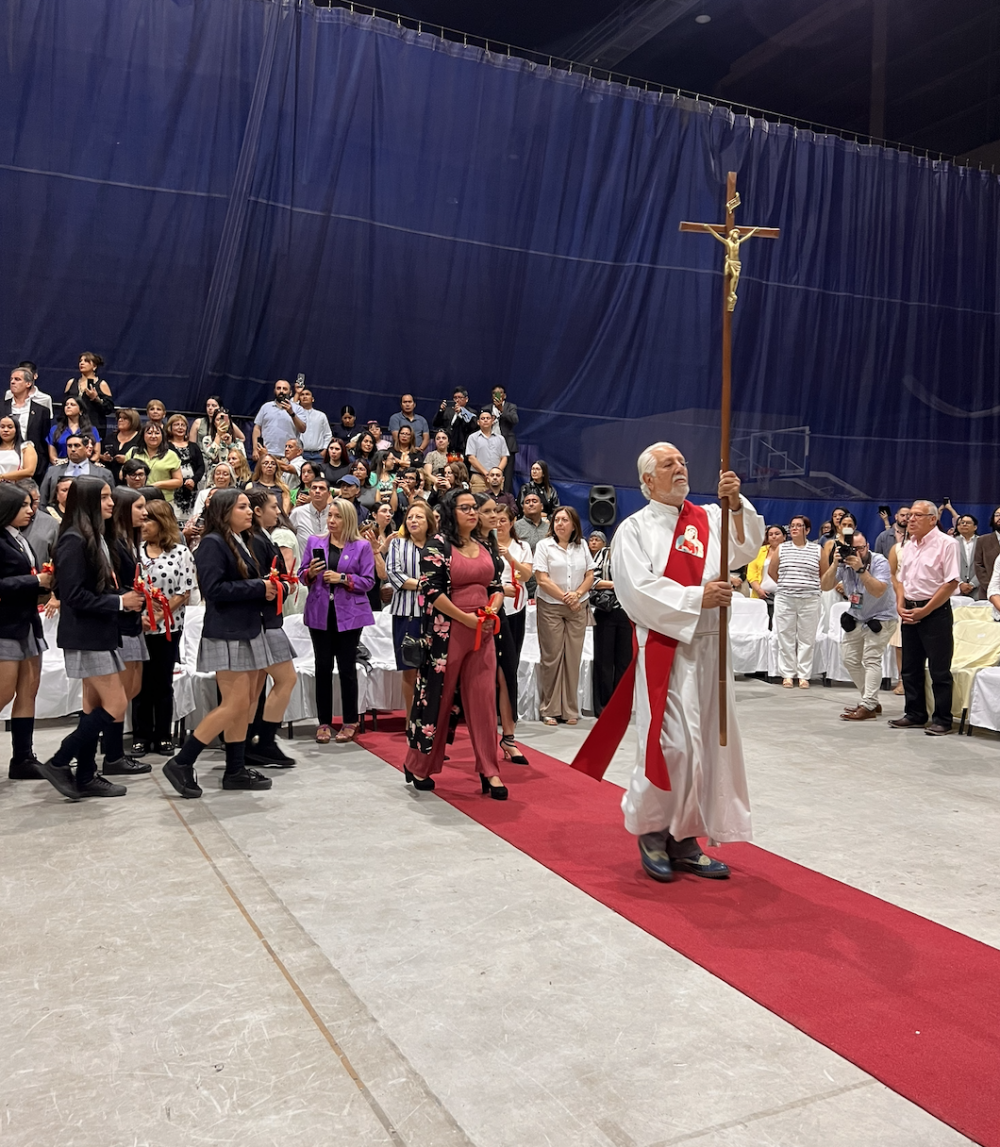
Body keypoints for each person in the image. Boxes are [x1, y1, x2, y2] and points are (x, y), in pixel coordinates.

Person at [574, 442, 764, 882]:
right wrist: (698, 598)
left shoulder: (710, 516)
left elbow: (744, 548)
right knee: (672, 746)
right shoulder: (634, 530)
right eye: (668, 464)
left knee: (707, 748)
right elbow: (636, 591)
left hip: (710, 648)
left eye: (682, 461)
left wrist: (736, 505)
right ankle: (653, 831)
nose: (680, 468)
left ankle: (686, 837)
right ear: (647, 480)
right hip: (666, 648)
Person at [161, 489, 278, 798]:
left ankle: (235, 769)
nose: (249, 511)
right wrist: (259, 587)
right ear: (224, 512)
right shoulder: (213, 543)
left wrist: (267, 588)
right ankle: (182, 761)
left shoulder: (239, 540)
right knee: (235, 704)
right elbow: (214, 590)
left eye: (249, 506)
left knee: (245, 703)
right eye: (242, 507)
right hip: (227, 632)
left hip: (245, 629)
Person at [38, 478, 145, 801]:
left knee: (94, 707)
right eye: (104, 498)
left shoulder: (95, 536)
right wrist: (119, 602)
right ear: (86, 502)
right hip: (85, 635)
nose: (111, 503)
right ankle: (59, 761)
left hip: (99, 632)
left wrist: (125, 597)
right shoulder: (74, 539)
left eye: (110, 496)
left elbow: (98, 586)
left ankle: (86, 775)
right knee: (116, 704)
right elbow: (72, 596)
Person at [403, 489, 508, 797]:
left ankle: (490, 770)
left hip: (483, 631)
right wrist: (466, 619)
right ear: (451, 512)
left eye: (474, 507)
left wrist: (492, 610)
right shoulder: (437, 545)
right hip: (446, 632)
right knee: (438, 699)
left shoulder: (485, 543)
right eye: (465, 508)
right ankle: (418, 764)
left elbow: (496, 585)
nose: (473, 512)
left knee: (484, 700)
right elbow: (431, 592)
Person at [298, 498, 375, 745]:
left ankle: (350, 720)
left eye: (337, 516)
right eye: (330, 515)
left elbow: (369, 581)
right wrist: (310, 573)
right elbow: (301, 575)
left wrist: (343, 578)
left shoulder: (362, 546)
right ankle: (324, 721)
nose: (331, 520)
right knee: (322, 667)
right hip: (319, 613)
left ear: (348, 519)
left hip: (350, 615)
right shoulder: (315, 541)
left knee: (347, 668)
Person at [889, 500, 959, 735]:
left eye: (917, 515)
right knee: (910, 667)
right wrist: (900, 604)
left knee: (939, 669)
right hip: (909, 610)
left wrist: (926, 610)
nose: (911, 519)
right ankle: (915, 713)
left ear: (932, 519)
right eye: (909, 515)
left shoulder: (947, 543)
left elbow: (951, 582)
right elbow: (901, 580)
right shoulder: (908, 545)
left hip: (935, 612)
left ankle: (943, 719)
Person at [133, 500, 196, 755]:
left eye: (149, 519)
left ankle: (162, 735)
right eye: (142, 518)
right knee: (140, 683)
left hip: (168, 627)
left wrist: (158, 616)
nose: (144, 524)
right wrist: (142, 618)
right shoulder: (134, 552)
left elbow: (184, 591)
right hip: (138, 627)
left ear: (162, 522)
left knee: (162, 682)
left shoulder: (181, 553)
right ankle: (140, 735)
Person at [0, 484, 54, 778]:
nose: (31, 510)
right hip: (5, 625)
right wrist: (36, 582)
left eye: (31, 504)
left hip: (29, 622)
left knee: (28, 690)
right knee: (4, 692)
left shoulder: (19, 537)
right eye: (23, 505)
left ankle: (22, 758)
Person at [243, 490, 299, 768]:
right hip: (264, 621)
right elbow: (265, 581)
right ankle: (263, 740)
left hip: (266, 620)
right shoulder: (255, 539)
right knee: (286, 679)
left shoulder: (261, 537)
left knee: (255, 688)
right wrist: (286, 586)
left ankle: (250, 742)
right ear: (258, 511)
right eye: (273, 507)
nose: (278, 511)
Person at [821, 529, 898, 719]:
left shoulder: (879, 561)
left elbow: (878, 590)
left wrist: (861, 569)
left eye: (860, 548)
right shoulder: (844, 563)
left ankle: (868, 704)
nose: (855, 553)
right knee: (849, 659)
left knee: (871, 658)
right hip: (857, 617)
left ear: (867, 546)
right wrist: (834, 564)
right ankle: (870, 701)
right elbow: (825, 586)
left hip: (881, 617)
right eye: (852, 549)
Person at [103, 487, 153, 775]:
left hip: (131, 621)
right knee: (120, 694)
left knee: (131, 689)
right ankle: (111, 755)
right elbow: (107, 586)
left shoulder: (128, 541)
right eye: (139, 507)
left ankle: (113, 753)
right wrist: (128, 600)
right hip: (118, 625)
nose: (145, 513)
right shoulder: (111, 543)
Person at [475, 495, 527, 765]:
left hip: (497, 613)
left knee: (508, 672)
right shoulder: (464, 543)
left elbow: (498, 581)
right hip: (470, 613)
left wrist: (495, 603)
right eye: (488, 511)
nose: (494, 516)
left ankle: (509, 738)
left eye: (496, 512)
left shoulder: (496, 543)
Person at [532, 506, 596, 725]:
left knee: (573, 657)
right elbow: (542, 579)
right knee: (552, 657)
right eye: (557, 520)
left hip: (578, 606)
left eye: (564, 520)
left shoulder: (582, 545)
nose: (560, 523)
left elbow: (590, 575)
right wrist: (566, 597)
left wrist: (577, 595)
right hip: (551, 605)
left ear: (574, 525)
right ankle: (549, 708)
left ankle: (570, 709)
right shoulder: (544, 545)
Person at [386, 501, 434, 718]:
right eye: (410, 517)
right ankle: (411, 719)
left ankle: (430, 719)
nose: (413, 520)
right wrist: (426, 585)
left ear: (429, 521)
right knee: (409, 668)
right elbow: (395, 575)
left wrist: (427, 586)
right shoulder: (398, 544)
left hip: (435, 615)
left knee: (433, 669)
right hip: (406, 614)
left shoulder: (438, 545)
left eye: (419, 517)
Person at [768, 515, 823, 688]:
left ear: (807, 530)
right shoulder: (782, 548)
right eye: (792, 525)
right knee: (786, 636)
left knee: (807, 638)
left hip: (810, 599)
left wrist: (808, 586)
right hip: (785, 598)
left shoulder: (817, 549)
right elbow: (772, 571)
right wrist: (787, 584)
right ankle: (787, 675)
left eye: (799, 526)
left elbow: (824, 573)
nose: (794, 528)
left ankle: (804, 675)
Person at [589, 529, 633, 717]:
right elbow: (592, 580)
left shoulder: (637, 555)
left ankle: (621, 706)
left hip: (629, 612)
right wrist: (615, 584)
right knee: (603, 661)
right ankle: (603, 707)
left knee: (624, 662)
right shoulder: (604, 553)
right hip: (606, 611)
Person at [2, 366, 51, 479]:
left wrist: (42, 466)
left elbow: (43, 440)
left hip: (33, 466)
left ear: (28, 384)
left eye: (17, 379)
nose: (12, 382)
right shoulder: (1, 407)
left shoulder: (42, 411)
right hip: (4, 462)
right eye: (11, 379)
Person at [40, 434, 113, 504]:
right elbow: (42, 500)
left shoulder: (104, 474)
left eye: (77, 445)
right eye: (69, 446)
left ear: (87, 448)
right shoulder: (53, 471)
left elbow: (111, 501)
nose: (72, 449)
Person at [126, 422, 182, 503]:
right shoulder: (133, 452)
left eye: (157, 433)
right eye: (149, 433)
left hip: (162, 501)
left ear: (162, 436)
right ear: (143, 435)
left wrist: (156, 485)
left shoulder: (171, 455)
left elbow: (179, 481)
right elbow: (122, 474)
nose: (153, 436)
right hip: (135, 499)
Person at [251, 379, 306, 459]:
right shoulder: (266, 407)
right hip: (266, 453)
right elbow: (257, 428)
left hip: (288, 456)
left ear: (290, 392)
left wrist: (291, 413)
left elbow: (302, 429)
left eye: (285, 389)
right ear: (274, 391)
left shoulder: (298, 409)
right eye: (278, 388)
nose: (281, 391)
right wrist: (255, 449)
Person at [165, 414, 205, 521]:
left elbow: (201, 466)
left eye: (183, 425)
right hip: (174, 490)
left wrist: (194, 480)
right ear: (170, 427)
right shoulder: (165, 446)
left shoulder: (194, 446)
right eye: (176, 425)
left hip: (193, 488)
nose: (180, 427)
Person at [746, 524, 786, 628]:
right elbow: (751, 573)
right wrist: (759, 590)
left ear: (784, 536)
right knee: (761, 627)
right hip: (762, 595)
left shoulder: (791, 551)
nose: (774, 536)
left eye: (777, 534)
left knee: (781, 626)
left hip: (784, 595)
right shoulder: (759, 551)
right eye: (770, 534)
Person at [64, 352, 114, 429]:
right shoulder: (71, 382)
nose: (82, 363)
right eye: (80, 361)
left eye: (86, 361)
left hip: (93, 426)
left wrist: (96, 399)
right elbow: (64, 405)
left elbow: (108, 409)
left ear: (94, 366)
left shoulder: (101, 384)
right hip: (72, 426)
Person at [465, 408, 509, 493]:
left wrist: (496, 473)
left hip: (496, 478)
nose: (485, 420)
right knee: (478, 501)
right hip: (479, 478)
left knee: (498, 500)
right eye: (482, 418)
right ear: (478, 422)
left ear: (492, 421)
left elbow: (504, 458)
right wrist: (486, 473)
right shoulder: (472, 438)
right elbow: (471, 458)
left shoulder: (500, 438)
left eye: (488, 418)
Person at [47, 396, 99, 464]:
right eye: (66, 405)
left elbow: (96, 454)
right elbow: (52, 456)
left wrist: (85, 465)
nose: (68, 406)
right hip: (61, 467)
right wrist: (63, 464)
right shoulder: (55, 429)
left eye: (72, 404)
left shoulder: (92, 430)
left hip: (85, 467)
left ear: (81, 411)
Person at [19, 479, 59, 567]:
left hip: (40, 573)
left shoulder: (51, 523)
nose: (31, 508)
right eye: (24, 504)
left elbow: (57, 557)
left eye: (35, 501)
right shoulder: (5, 523)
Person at [98, 408, 143, 483]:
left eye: (124, 418)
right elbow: (98, 454)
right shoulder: (110, 437)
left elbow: (146, 459)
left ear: (133, 421)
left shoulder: (141, 439)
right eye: (119, 418)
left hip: (131, 480)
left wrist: (127, 460)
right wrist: (103, 457)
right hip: (108, 479)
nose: (120, 420)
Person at [488, 386, 519, 492]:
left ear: (504, 395)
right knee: (492, 473)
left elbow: (514, 420)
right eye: (494, 393)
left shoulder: (511, 407)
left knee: (507, 475)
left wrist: (501, 409)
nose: (497, 395)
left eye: (500, 393)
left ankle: (505, 496)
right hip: (490, 445)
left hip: (507, 445)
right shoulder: (487, 408)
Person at [291, 476, 332, 552]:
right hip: (304, 559)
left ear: (329, 494)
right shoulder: (297, 513)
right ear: (309, 492)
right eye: (314, 488)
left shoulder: (334, 513)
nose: (317, 491)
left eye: (321, 488)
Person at [296, 388, 332, 464]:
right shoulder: (296, 416)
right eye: (302, 395)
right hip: (301, 454)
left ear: (312, 399)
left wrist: (325, 449)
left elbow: (327, 434)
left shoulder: (321, 415)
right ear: (299, 399)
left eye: (307, 394)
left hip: (318, 455)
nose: (304, 396)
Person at [0, 416, 38, 485]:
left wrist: (2, 476)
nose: (5, 430)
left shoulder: (26, 447)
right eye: (2, 427)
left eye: (10, 427)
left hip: (18, 488)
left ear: (17, 429)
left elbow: (29, 471)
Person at [952, 512, 981, 598]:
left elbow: (986, 566)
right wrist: (960, 583)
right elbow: (948, 566)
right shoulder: (952, 542)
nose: (964, 525)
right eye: (962, 523)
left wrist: (973, 584)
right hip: (955, 588)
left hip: (978, 589)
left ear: (975, 527)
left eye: (968, 523)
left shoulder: (982, 542)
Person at [973, 507, 1000, 593]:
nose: (999, 517)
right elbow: (978, 565)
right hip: (987, 591)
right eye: (997, 515)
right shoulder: (983, 540)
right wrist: (991, 588)